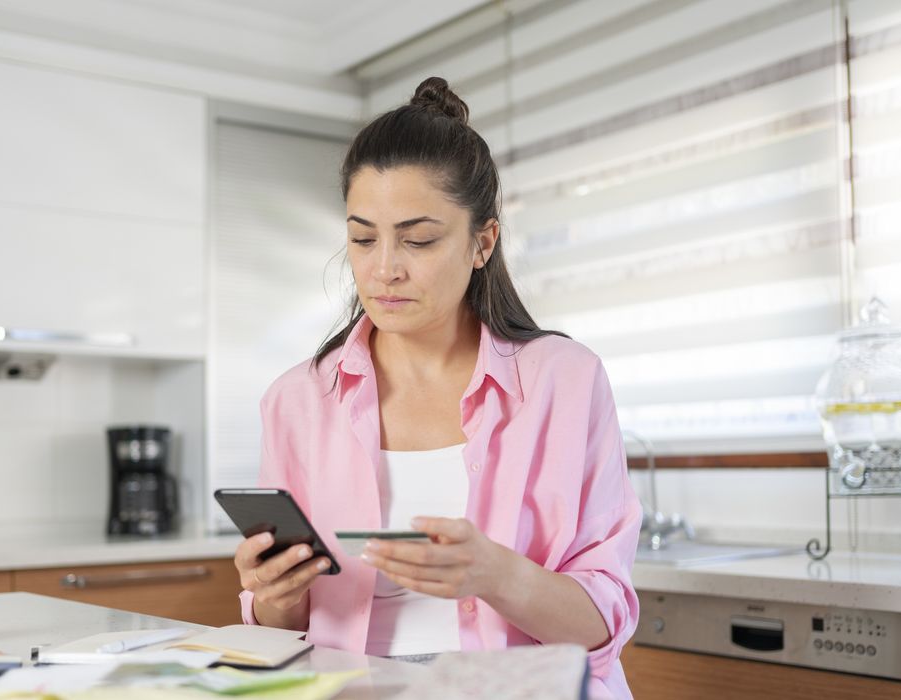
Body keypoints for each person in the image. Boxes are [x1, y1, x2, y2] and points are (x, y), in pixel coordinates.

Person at [231, 76, 641, 699]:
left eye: (418, 239)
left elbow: (601, 629)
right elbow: (282, 637)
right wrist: (273, 598)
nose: (384, 267)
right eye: (363, 238)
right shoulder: (297, 401)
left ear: (483, 242)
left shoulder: (565, 380)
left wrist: (495, 573)